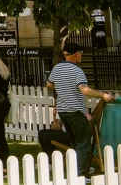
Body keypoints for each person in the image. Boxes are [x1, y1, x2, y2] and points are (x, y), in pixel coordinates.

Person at [47, 42, 113, 175]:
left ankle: (72, 172)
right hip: (75, 111)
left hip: (63, 111)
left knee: (75, 143)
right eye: (81, 53)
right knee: (83, 144)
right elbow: (84, 90)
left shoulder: (57, 68)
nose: (81, 55)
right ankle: (79, 174)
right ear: (76, 54)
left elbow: (49, 84)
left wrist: (63, 88)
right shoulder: (77, 70)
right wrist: (103, 95)